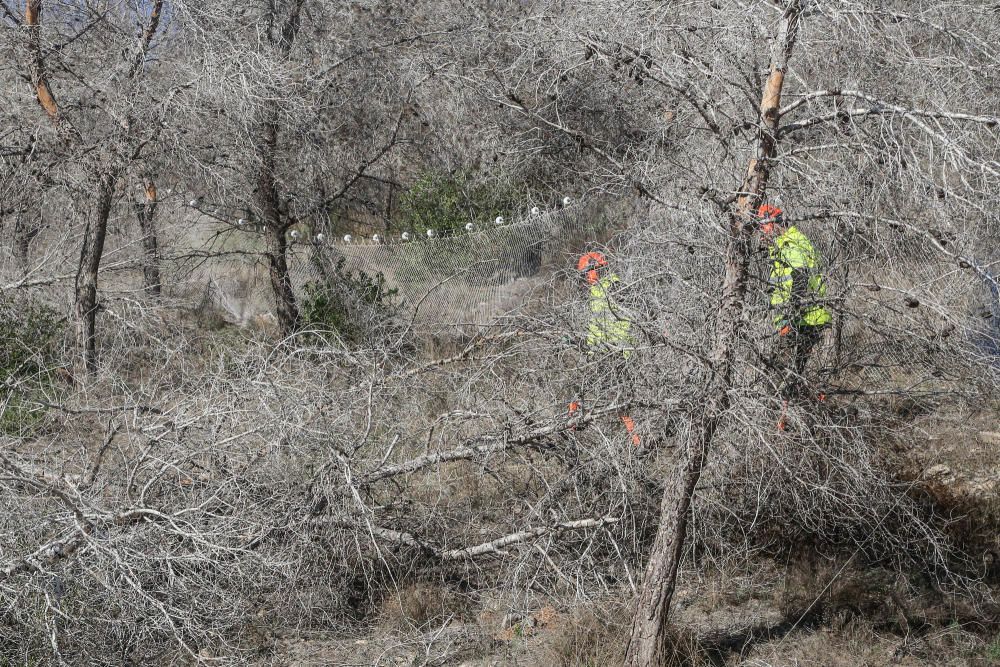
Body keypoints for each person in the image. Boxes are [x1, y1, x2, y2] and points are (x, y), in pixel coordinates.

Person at [758, 204, 832, 409]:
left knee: (779, 372)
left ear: (772, 224)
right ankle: (805, 412)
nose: (761, 233)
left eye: (762, 227)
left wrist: (788, 317)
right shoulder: (788, 241)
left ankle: (783, 417)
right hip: (806, 317)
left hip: (803, 319)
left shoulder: (790, 243)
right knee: (795, 373)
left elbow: (800, 278)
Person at [568, 251, 640, 446]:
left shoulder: (603, 289)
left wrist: (589, 344)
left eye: (586, 273)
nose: (585, 278)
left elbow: (604, 324)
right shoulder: (613, 286)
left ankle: (571, 426)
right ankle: (636, 440)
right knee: (619, 399)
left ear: (594, 271)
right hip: (615, 351)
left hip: (608, 352)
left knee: (579, 387)